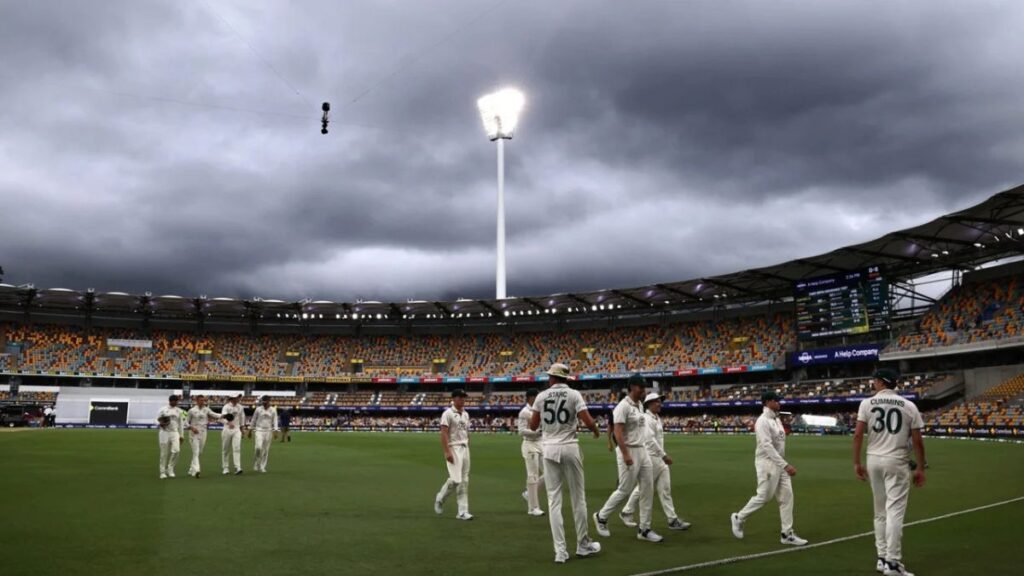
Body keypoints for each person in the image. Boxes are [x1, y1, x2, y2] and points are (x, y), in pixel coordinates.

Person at [853, 369, 926, 576]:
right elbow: (918, 441)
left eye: (874, 380)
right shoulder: (909, 406)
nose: (873, 383)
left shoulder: (866, 403)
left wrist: (856, 463)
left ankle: (882, 558)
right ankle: (893, 563)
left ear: (880, 382)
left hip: (873, 460)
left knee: (880, 512)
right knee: (894, 512)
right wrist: (920, 467)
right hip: (897, 460)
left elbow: (858, 435)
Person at [529, 363, 602, 563]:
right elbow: (587, 420)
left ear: (553, 378)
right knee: (578, 498)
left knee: (554, 501)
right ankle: (583, 545)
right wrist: (596, 430)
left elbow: (533, 425)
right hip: (570, 446)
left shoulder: (541, 396)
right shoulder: (574, 394)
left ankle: (560, 552)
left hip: (549, 448)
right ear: (566, 378)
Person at [730, 391, 808, 546]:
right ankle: (739, 517)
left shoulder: (776, 419)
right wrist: (785, 465)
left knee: (787, 497)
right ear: (767, 402)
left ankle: (787, 534)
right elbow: (766, 446)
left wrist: (783, 464)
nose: (779, 402)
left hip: (779, 463)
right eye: (776, 400)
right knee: (764, 496)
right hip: (767, 464)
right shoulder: (762, 421)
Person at [594, 374, 662, 543]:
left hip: (642, 450)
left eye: (644, 388)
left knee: (647, 488)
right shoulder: (622, 407)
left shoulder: (639, 405)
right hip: (629, 450)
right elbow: (617, 432)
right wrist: (625, 454)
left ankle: (644, 529)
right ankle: (601, 516)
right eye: (641, 387)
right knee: (624, 489)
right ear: (632, 387)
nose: (643, 391)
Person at [621, 392, 690, 531]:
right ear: (649, 404)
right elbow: (650, 440)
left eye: (660, 401)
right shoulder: (646, 418)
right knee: (643, 488)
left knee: (665, 490)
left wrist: (662, 457)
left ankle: (672, 519)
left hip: (659, 459)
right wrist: (664, 455)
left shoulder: (656, 418)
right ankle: (627, 511)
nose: (660, 404)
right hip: (651, 458)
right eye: (657, 401)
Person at [434, 390, 473, 520]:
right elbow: (444, 433)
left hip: (465, 448)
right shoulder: (448, 413)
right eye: (461, 398)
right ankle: (440, 498)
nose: (463, 400)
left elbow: (467, 432)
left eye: (464, 398)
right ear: (454, 399)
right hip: (454, 447)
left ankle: (462, 512)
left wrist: (468, 446)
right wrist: (447, 451)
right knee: (456, 480)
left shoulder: (466, 414)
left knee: (464, 481)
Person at [517, 388, 545, 516]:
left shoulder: (540, 410)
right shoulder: (524, 412)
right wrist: (536, 432)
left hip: (541, 443)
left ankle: (528, 494)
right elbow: (521, 430)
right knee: (532, 475)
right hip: (529, 444)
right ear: (530, 398)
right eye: (536, 396)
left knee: (550, 473)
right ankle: (533, 508)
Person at [185, 395, 224, 479]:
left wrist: (224, 415)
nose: (202, 402)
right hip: (194, 432)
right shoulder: (191, 410)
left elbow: (214, 415)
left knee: (199, 452)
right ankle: (197, 470)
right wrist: (192, 428)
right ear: (196, 400)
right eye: (201, 400)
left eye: (203, 400)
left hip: (203, 432)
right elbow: (185, 423)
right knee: (196, 451)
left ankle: (191, 469)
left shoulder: (206, 409)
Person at [156, 394, 186, 479]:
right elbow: (155, 419)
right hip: (164, 432)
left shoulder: (179, 411)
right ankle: (162, 472)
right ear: (170, 401)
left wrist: (182, 435)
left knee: (176, 451)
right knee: (164, 453)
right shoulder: (163, 410)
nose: (176, 402)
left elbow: (181, 424)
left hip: (174, 432)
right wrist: (160, 423)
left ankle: (170, 468)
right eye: (175, 401)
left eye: (177, 401)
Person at [250, 396, 278, 473]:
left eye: (266, 402)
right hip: (259, 430)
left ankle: (262, 466)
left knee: (265, 450)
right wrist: (250, 430)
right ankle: (256, 462)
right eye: (263, 402)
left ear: (269, 401)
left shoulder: (273, 410)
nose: (264, 403)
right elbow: (253, 419)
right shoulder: (258, 409)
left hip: (268, 431)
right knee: (258, 448)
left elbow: (275, 420)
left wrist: (275, 430)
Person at [220, 394, 246, 475]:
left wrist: (242, 428)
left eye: (238, 397)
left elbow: (242, 417)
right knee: (225, 449)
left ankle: (238, 467)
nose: (238, 399)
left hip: (236, 429)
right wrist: (228, 423)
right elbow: (221, 418)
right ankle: (225, 468)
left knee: (237, 448)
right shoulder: (226, 407)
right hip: (227, 430)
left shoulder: (240, 407)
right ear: (232, 398)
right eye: (237, 397)